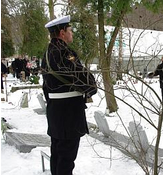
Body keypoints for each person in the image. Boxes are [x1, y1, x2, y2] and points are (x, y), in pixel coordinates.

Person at [41, 15, 97, 175]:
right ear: (62, 32)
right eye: (70, 30)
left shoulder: (46, 54)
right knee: (66, 158)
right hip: (68, 113)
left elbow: (46, 86)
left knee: (57, 154)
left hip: (55, 111)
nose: (72, 33)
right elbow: (83, 77)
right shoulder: (64, 53)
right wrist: (92, 87)